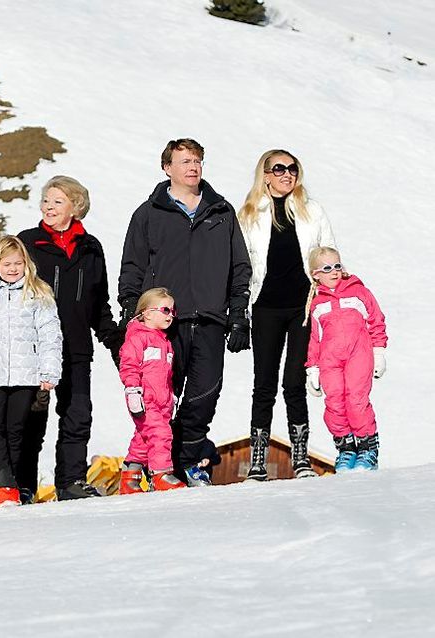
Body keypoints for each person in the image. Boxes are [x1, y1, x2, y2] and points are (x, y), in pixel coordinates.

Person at [118, 139, 252, 486]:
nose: (193, 167)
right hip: (165, 325)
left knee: (204, 396)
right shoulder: (148, 213)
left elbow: (239, 266)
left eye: (197, 161)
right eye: (185, 161)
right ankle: (152, 464)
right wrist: (132, 314)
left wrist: (239, 314)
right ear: (168, 168)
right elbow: (132, 267)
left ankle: (187, 461)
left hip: (210, 319)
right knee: (158, 401)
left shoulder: (221, 211)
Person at [18, 176, 122, 502]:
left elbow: (98, 303)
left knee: (77, 414)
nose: (48, 207)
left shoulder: (91, 248)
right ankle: (24, 485)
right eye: (46, 200)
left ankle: (71, 481)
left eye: (57, 201)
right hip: (35, 348)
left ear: (75, 207)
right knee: (31, 419)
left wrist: (115, 340)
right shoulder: (28, 242)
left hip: (76, 347)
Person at [237, 150, 336, 481]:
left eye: (292, 168)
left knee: (294, 382)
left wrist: (331, 298)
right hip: (265, 306)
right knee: (263, 383)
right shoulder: (249, 214)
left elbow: (330, 255)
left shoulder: (312, 210)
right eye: (278, 168)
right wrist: (236, 307)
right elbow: (238, 265)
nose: (286, 174)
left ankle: (300, 457)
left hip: (303, 308)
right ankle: (258, 460)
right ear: (265, 174)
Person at [0, 236, 61, 510]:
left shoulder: (37, 294)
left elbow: (50, 336)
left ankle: (13, 486)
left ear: (26, 264)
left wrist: (49, 371)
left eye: (18, 263)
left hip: (26, 376)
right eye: (6, 263)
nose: (12, 269)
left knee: (16, 430)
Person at [304, 247, 387, 472]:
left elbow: (376, 320)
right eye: (327, 268)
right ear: (315, 274)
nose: (334, 272)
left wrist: (378, 351)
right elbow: (314, 338)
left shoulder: (358, 292)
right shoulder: (316, 304)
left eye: (337, 266)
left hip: (358, 355)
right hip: (330, 360)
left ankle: (368, 448)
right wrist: (313, 368)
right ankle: (346, 449)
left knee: (356, 399)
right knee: (334, 402)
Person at [117, 289, 186, 494]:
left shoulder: (165, 342)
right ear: (147, 313)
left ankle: (130, 478)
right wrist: (133, 391)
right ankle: (161, 475)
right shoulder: (138, 339)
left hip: (162, 402)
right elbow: (129, 366)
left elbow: (166, 375)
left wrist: (171, 397)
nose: (170, 315)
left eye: (172, 311)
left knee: (143, 439)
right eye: (165, 310)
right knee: (160, 434)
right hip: (145, 399)